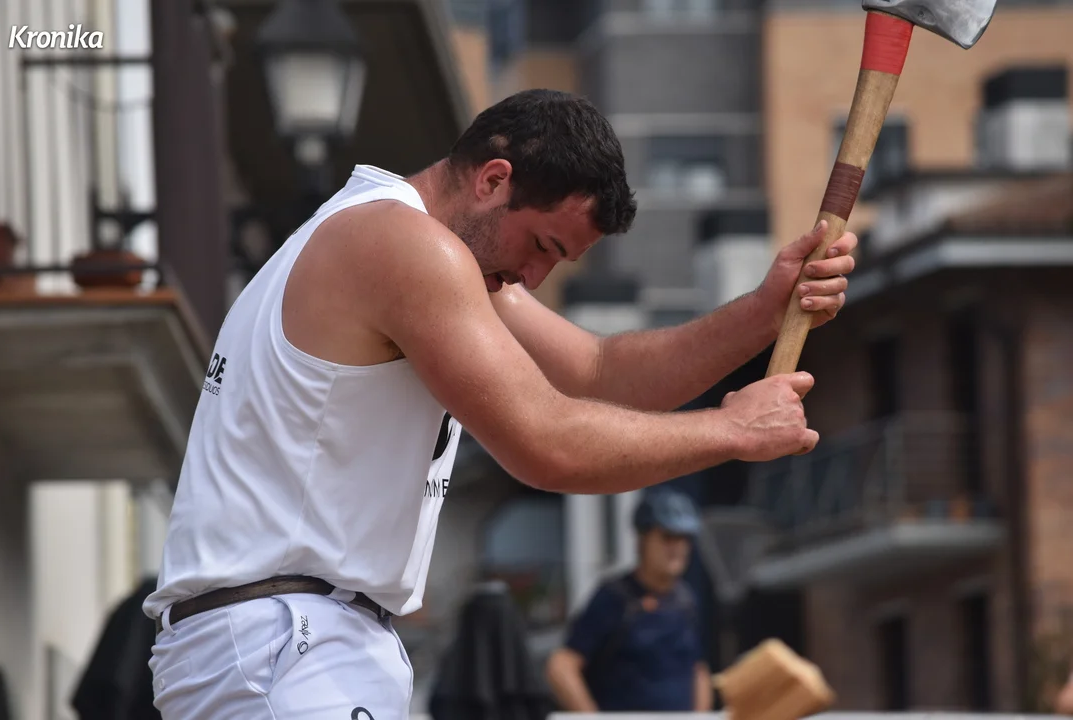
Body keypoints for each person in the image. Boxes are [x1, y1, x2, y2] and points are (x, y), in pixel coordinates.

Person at [143, 88, 858, 720]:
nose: (533, 277)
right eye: (541, 245)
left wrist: (765, 312)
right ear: (493, 179)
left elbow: (600, 372)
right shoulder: (404, 247)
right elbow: (548, 444)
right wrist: (730, 430)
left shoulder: (418, 246)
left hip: (293, 638)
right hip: (282, 635)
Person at [545, 490, 712, 713]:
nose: (677, 548)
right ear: (643, 540)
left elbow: (697, 669)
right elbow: (561, 667)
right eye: (668, 537)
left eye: (685, 538)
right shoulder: (614, 598)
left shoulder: (686, 600)